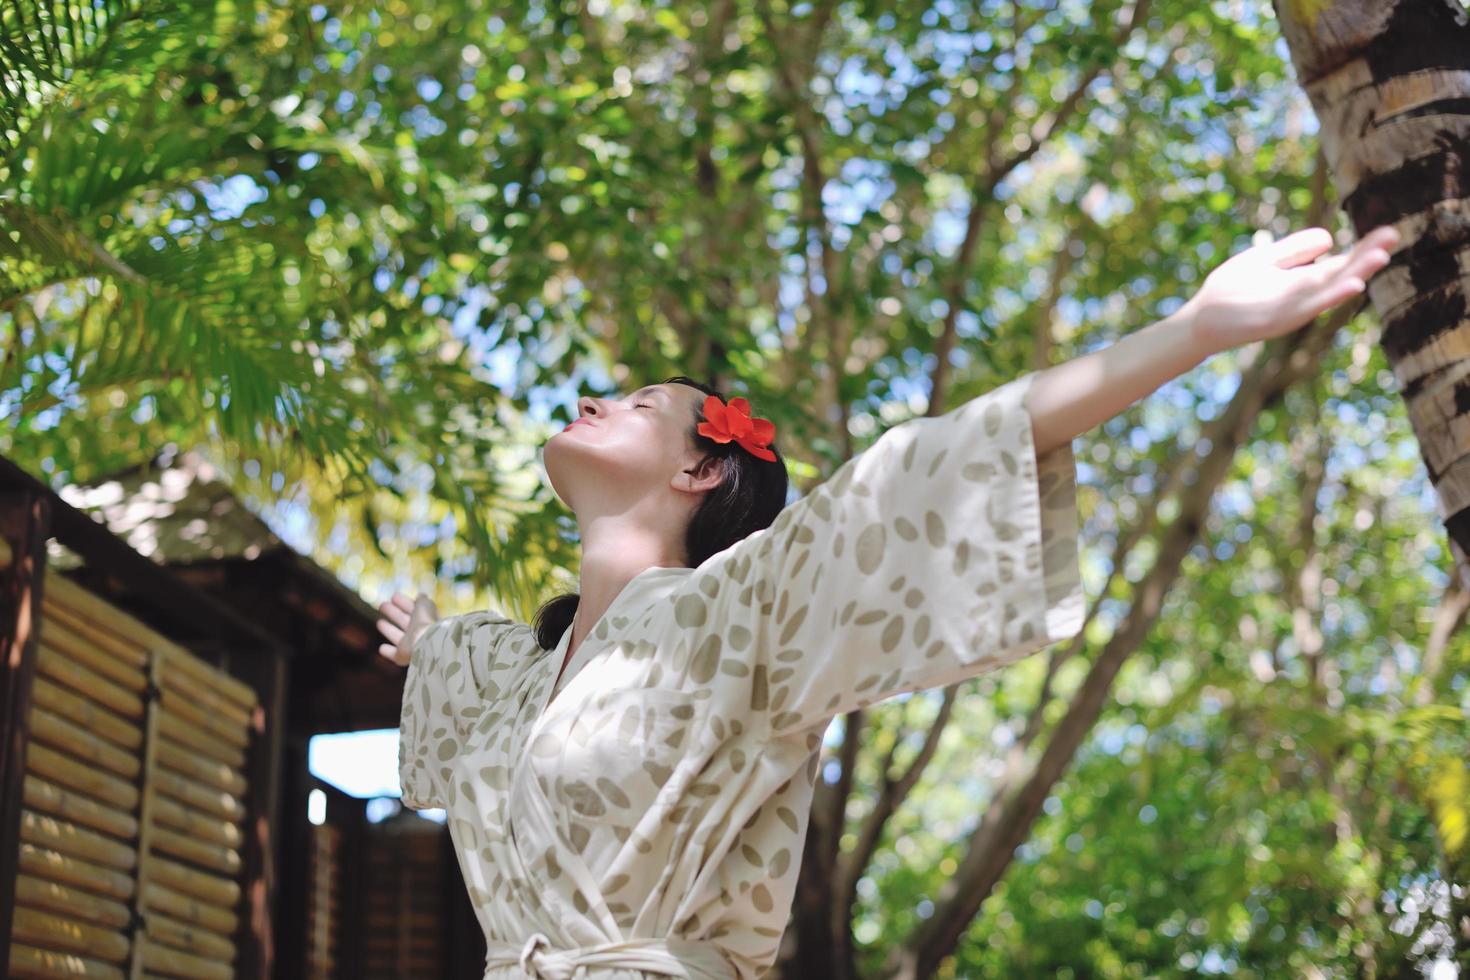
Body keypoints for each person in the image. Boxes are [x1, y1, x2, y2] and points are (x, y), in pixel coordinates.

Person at [377, 224, 1401, 980]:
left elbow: (928, 470)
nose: (595, 399)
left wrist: (1191, 331)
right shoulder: (510, 674)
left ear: (702, 470)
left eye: (644, 403)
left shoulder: (741, 610)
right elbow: (459, 674)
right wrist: (426, 644)